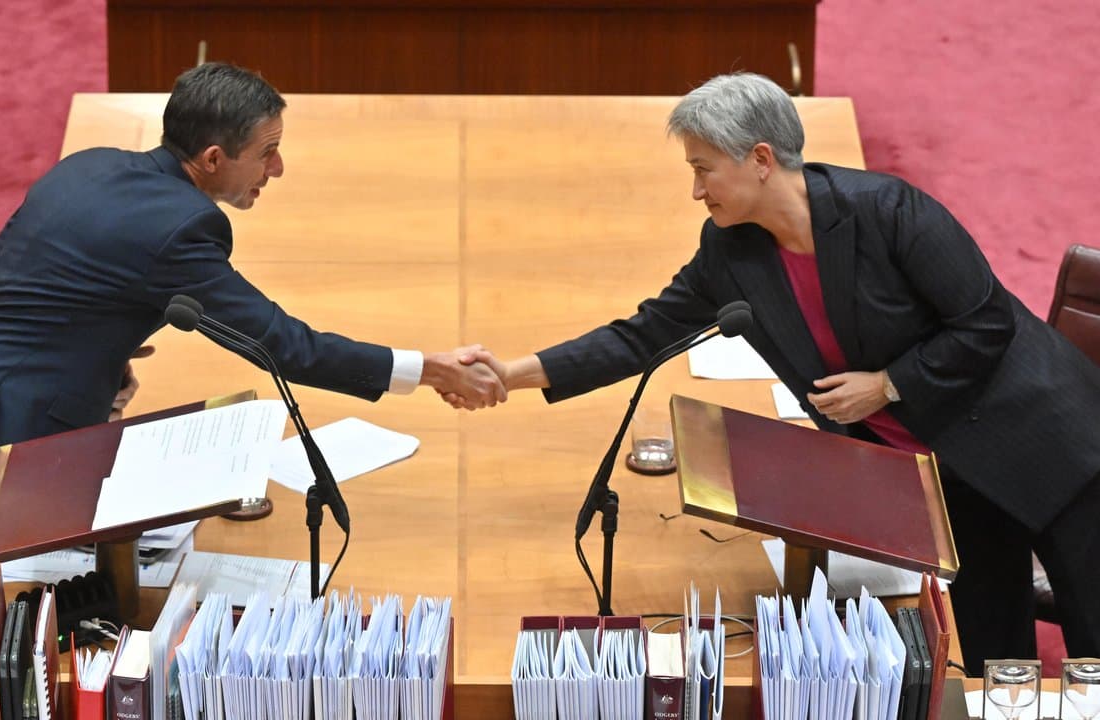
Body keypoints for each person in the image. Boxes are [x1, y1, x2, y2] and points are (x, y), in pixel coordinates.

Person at [0, 62, 505, 670]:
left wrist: (99, 360)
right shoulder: (184, 225)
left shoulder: (87, 167)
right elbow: (283, 345)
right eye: (266, 151)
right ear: (214, 157)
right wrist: (428, 369)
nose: (276, 168)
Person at [448, 72, 1100, 671]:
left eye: (704, 169)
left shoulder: (888, 212)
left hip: (1040, 442)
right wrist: (513, 372)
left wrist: (888, 384)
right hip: (942, 472)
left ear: (760, 160)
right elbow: (642, 333)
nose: (695, 190)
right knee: (993, 650)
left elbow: (984, 323)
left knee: (1093, 630)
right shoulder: (732, 252)